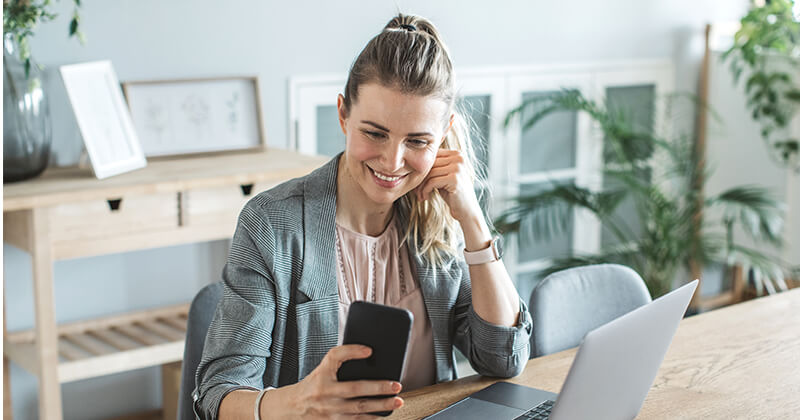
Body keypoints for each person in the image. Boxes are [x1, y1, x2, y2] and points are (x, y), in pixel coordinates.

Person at [193, 13, 532, 420]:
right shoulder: (271, 225)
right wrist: (299, 403)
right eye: (374, 133)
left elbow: (501, 358)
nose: (392, 161)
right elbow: (216, 395)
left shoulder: (437, 216)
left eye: (418, 141)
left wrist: (473, 222)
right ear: (343, 115)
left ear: (443, 137)